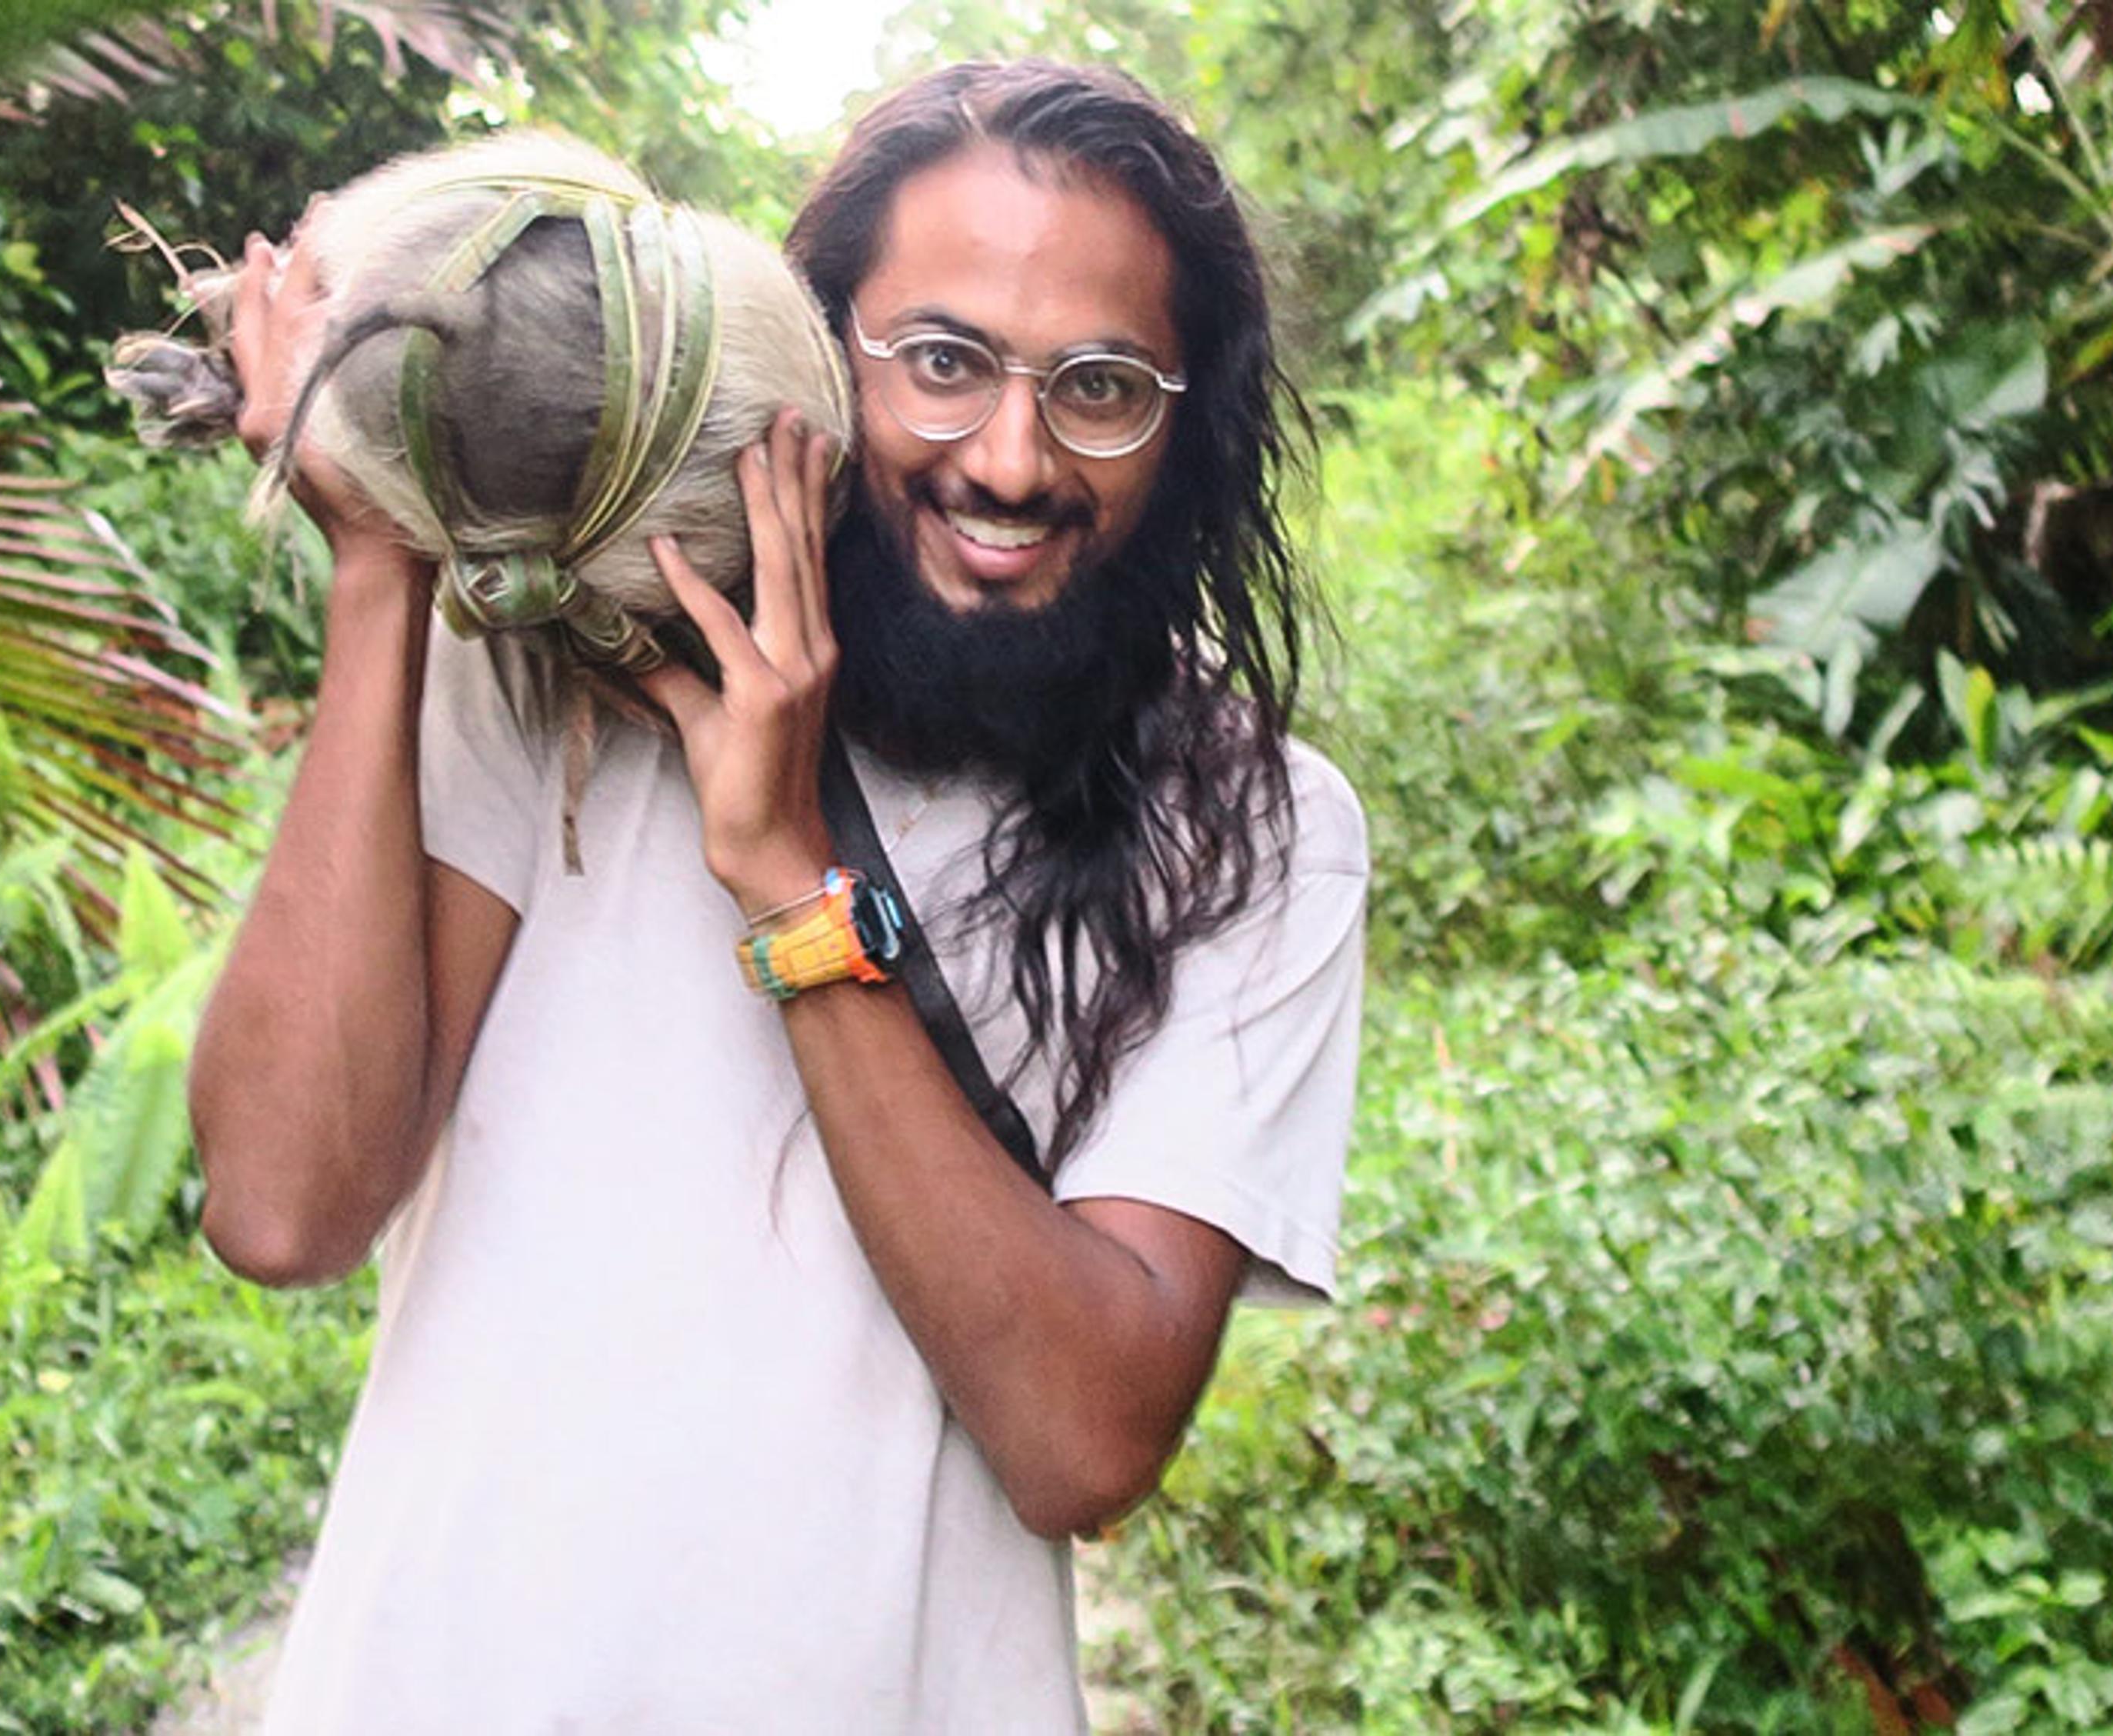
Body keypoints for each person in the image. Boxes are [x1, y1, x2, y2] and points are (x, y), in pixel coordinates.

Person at [188, 58, 1368, 1731]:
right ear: (819, 358)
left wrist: (792, 878)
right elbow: (283, 1208)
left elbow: (1080, 1438)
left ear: (1189, 425)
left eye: (1101, 387)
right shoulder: (556, 668)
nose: (1013, 462)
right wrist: (380, 558)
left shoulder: (1251, 827)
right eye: (944, 365)